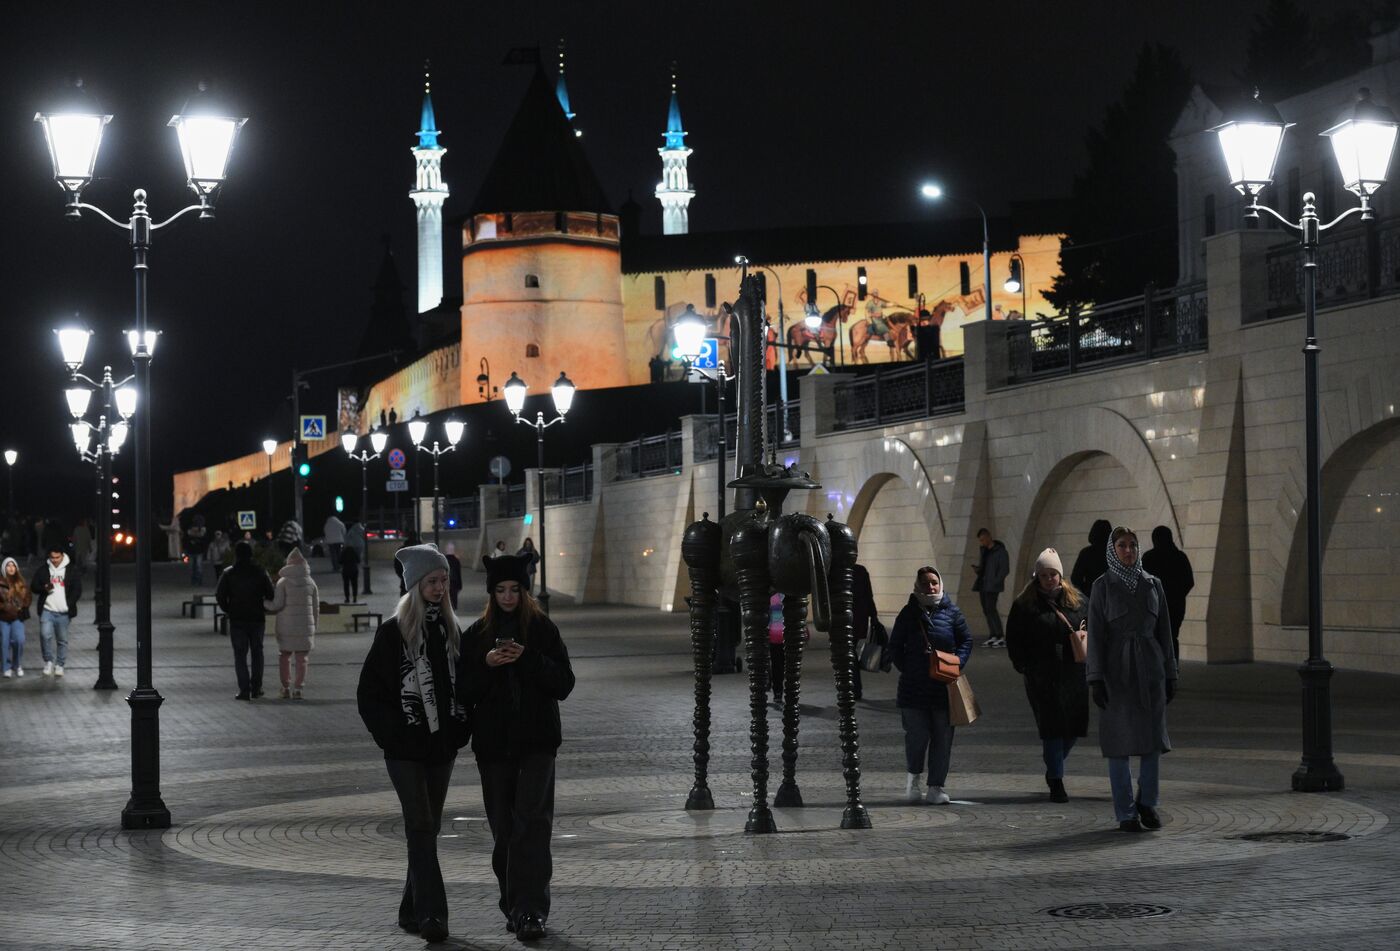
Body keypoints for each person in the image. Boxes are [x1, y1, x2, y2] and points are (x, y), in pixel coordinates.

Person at [357, 544, 471, 944]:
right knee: (421, 825)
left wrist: (459, 731)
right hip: (405, 752)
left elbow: (465, 688)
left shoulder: (451, 631)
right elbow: (369, 694)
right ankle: (432, 916)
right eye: (433, 581)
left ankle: (409, 909)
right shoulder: (393, 634)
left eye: (444, 581)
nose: (441, 588)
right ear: (415, 585)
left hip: (441, 750)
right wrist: (395, 735)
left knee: (427, 828)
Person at [461, 554, 575, 940]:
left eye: (514, 589)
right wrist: (488, 664)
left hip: (537, 743)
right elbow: (464, 691)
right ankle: (513, 905)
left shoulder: (543, 630)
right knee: (504, 829)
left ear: (524, 591)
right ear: (491, 592)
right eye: (500, 590)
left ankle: (531, 910)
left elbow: (564, 683)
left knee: (533, 825)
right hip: (493, 747)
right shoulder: (475, 634)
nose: (508, 596)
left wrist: (527, 659)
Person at [1086, 526, 1178, 833]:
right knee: (1119, 745)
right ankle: (1125, 813)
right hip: (1117, 673)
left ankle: (1147, 802)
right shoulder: (1103, 587)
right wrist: (1096, 677)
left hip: (1150, 670)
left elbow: (1165, 632)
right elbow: (1096, 635)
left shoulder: (1153, 585)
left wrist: (1170, 673)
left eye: (1133, 545)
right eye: (1123, 545)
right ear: (1113, 550)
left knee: (1153, 742)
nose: (1129, 550)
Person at [1005, 548, 1089, 804]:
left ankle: (1054, 763)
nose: (1049, 579)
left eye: (1053, 574)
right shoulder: (1024, 605)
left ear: (1060, 575)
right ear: (1037, 577)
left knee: (1073, 728)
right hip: (1042, 676)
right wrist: (1025, 666)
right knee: (1052, 728)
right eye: (1044, 575)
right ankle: (1056, 779)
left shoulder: (1078, 601)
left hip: (1073, 673)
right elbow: (1014, 639)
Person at [888, 566, 972, 804]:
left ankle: (936, 786)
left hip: (944, 688)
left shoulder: (952, 612)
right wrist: (909, 667)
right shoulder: (908, 613)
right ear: (917, 586)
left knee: (943, 738)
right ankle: (913, 779)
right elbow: (895, 646)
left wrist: (957, 662)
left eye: (934, 582)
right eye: (925, 583)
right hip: (913, 690)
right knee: (916, 736)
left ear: (940, 584)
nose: (930, 587)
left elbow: (966, 639)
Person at [216, 541, 275, 701]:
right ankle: (256, 688)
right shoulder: (260, 572)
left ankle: (244, 690)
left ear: (236, 555)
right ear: (251, 554)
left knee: (240, 655)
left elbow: (220, 595)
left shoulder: (229, 573)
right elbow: (270, 593)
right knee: (257, 653)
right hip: (257, 619)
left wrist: (229, 609)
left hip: (237, 619)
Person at [265, 548, 319, 700]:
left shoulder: (283, 582)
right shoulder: (311, 582)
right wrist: (314, 626)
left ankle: (285, 687)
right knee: (302, 659)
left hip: (286, 625)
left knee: (284, 656)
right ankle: (299, 689)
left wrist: (265, 603)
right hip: (305, 626)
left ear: (289, 563)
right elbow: (316, 607)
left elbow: (277, 605)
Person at [1141, 525, 1195, 663]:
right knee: (1172, 638)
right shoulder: (1180, 557)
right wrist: (1177, 595)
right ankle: (1172, 673)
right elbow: (1189, 581)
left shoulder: (1149, 557)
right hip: (1175, 606)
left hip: (1153, 607)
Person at [31, 546, 81, 678]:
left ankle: (60, 665)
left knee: (62, 639)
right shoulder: (44, 570)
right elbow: (34, 586)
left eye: (57, 557)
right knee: (44, 635)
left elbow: (77, 589)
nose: (54, 560)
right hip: (47, 610)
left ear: (62, 556)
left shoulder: (70, 570)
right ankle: (48, 661)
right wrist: (44, 588)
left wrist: (68, 604)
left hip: (63, 612)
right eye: (52, 558)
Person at [971, 527, 1009, 647]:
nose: (982, 542)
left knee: (991, 608)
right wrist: (978, 570)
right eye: (980, 540)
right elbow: (984, 567)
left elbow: (1004, 569)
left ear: (988, 536)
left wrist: (995, 581)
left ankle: (999, 635)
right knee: (986, 610)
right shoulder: (984, 551)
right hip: (983, 584)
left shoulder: (1000, 551)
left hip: (992, 586)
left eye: (983, 539)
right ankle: (993, 634)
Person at [850, 563, 878, 700]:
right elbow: (869, 595)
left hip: (848, 620)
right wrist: (873, 616)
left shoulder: (841, 570)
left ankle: (854, 688)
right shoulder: (861, 571)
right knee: (851, 652)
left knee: (849, 654)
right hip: (860, 619)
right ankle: (855, 688)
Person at [0, 557, 31, 678]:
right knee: (4, 642)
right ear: (4, 568)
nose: (11, 568)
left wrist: (23, 604)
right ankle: (6, 667)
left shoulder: (21, 582)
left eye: (13, 566)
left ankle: (17, 665)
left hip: (17, 617)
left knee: (19, 640)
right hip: (3, 617)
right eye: (8, 565)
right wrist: (4, 607)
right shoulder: (1, 582)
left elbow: (28, 597)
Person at [1070, 519, 1113, 594]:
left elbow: (1075, 578)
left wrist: (1086, 590)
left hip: (1092, 594)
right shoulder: (1115, 553)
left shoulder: (1086, 553)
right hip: (1112, 595)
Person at [184, 514, 209, 586]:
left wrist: (196, 541)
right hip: (193, 550)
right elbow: (187, 538)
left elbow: (204, 539)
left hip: (197, 550)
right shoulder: (192, 528)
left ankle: (197, 581)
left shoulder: (202, 529)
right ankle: (195, 581)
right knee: (195, 568)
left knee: (196, 567)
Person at [443, 542, 463, 611]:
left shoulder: (443, 559)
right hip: (454, 582)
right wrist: (460, 585)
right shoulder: (456, 560)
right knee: (453, 599)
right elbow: (458, 573)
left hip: (446, 582)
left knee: (446, 598)